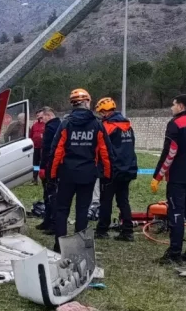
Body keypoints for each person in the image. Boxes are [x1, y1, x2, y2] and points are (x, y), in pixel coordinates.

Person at [49, 88, 112, 252]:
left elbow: (57, 152)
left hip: (67, 174)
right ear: (87, 102)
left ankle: (59, 245)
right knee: (82, 211)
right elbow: (105, 152)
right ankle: (78, 246)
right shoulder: (97, 124)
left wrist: (52, 174)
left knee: (62, 210)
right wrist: (107, 174)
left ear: (72, 104)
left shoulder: (66, 124)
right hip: (88, 174)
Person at [151, 95, 186, 265]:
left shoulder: (175, 124)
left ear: (181, 106)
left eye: (173, 104)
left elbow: (170, 152)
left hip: (177, 178)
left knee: (176, 214)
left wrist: (157, 177)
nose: (171, 107)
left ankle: (174, 253)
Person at [95, 97, 137, 241]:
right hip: (127, 169)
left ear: (105, 112)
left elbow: (102, 150)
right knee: (123, 201)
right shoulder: (128, 126)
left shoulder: (108, 127)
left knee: (106, 201)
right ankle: (127, 231)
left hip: (112, 170)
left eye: (101, 113)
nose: (100, 116)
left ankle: (102, 229)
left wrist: (103, 169)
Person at [36, 107, 61, 235]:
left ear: (48, 115)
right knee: (48, 195)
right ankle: (47, 220)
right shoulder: (60, 125)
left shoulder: (51, 128)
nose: (40, 121)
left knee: (51, 196)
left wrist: (43, 167)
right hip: (55, 166)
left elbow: (46, 150)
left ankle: (52, 223)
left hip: (50, 166)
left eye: (41, 118)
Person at [30, 109, 46, 184]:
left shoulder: (46, 124)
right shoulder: (34, 125)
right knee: (36, 164)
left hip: (43, 148)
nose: (37, 115)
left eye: (39, 114)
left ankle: (44, 178)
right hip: (36, 148)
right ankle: (35, 178)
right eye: (36, 114)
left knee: (43, 163)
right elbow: (30, 136)